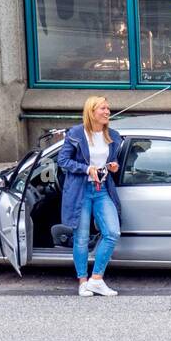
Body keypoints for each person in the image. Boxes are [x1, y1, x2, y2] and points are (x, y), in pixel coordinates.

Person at [57, 96, 123, 297]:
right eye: (103, 108)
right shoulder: (76, 134)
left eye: (108, 108)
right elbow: (63, 160)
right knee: (82, 238)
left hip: (102, 190)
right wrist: (87, 169)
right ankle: (82, 281)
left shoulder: (112, 135)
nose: (107, 112)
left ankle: (96, 279)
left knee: (112, 233)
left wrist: (113, 166)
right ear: (91, 111)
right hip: (80, 192)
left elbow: (112, 161)